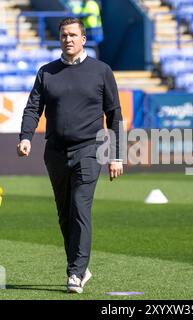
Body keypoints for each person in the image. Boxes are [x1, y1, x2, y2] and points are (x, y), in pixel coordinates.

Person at [17, 17, 123, 294]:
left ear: (83, 39)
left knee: (79, 207)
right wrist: (26, 137)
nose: (68, 39)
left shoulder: (101, 71)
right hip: (55, 153)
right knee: (65, 215)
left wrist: (117, 155)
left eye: (73, 35)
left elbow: (114, 116)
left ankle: (75, 273)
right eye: (64, 35)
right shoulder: (47, 72)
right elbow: (32, 109)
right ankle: (80, 265)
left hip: (89, 150)